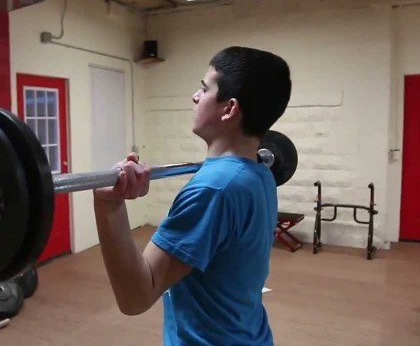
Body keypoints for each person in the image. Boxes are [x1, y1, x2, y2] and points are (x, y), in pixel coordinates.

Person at [92, 46, 292, 345]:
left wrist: (108, 204)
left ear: (229, 108)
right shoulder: (259, 172)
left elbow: (136, 296)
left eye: (204, 88)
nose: (195, 97)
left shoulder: (214, 190)